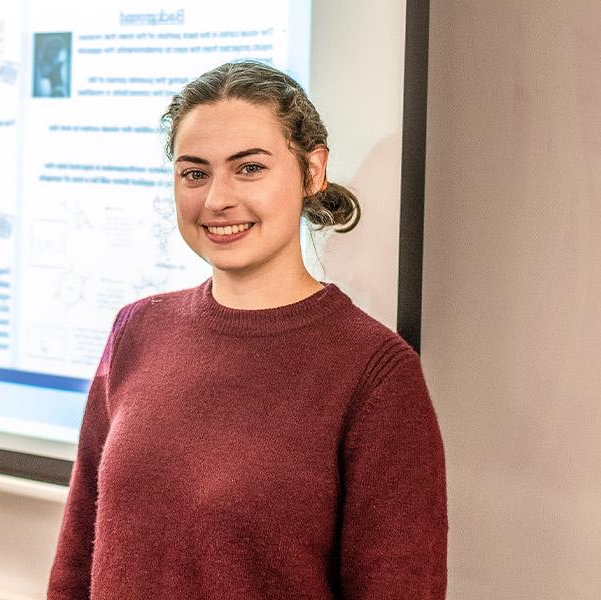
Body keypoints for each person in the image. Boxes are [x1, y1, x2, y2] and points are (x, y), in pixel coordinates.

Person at [47, 60, 447, 599]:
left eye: (250, 168)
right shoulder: (137, 330)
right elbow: (77, 558)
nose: (216, 200)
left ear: (312, 171)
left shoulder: (376, 373)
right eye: (195, 173)